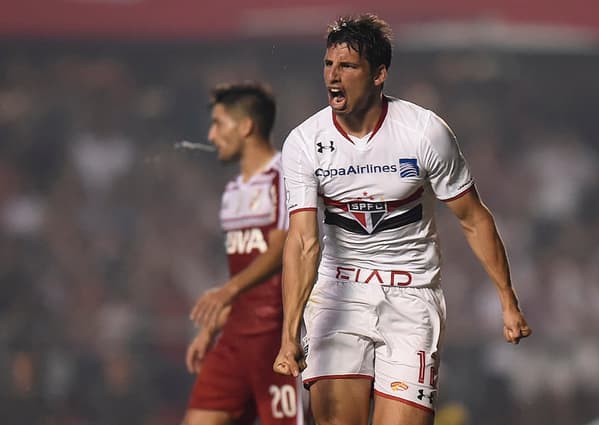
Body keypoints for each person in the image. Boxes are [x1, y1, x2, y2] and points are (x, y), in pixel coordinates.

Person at [272, 14, 531, 425]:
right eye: (328, 65)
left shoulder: (424, 132)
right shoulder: (305, 141)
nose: (333, 77)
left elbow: (472, 218)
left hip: (411, 297)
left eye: (348, 66)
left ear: (379, 75)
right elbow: (303, 242)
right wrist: (289, 333)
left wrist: (507, 300)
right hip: (339, 295)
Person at [185, 82, 306, 425]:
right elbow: (247, 274)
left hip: (278, 337)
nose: (211, 135)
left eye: (219, 124)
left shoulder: (286, 175)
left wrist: (225, 293)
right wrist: (213, 327)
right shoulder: (232, 192)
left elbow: (284, 247)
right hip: (235, 339)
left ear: (246, 126)